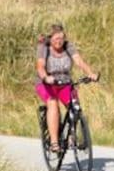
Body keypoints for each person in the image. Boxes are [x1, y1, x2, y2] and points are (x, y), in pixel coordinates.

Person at [35, 23, 99, 153]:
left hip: (64, 82)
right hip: (47, 83)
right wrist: (46, 77)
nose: (59, 41)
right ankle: (54, 142)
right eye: (56, 39)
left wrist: (90, 73)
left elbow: (79, 61)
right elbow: (40, 66)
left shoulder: (68, 46)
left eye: (61, 38)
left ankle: (71, 136)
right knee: (52, 103)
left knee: (75, 106)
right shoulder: (43, 47)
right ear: (50, 39)